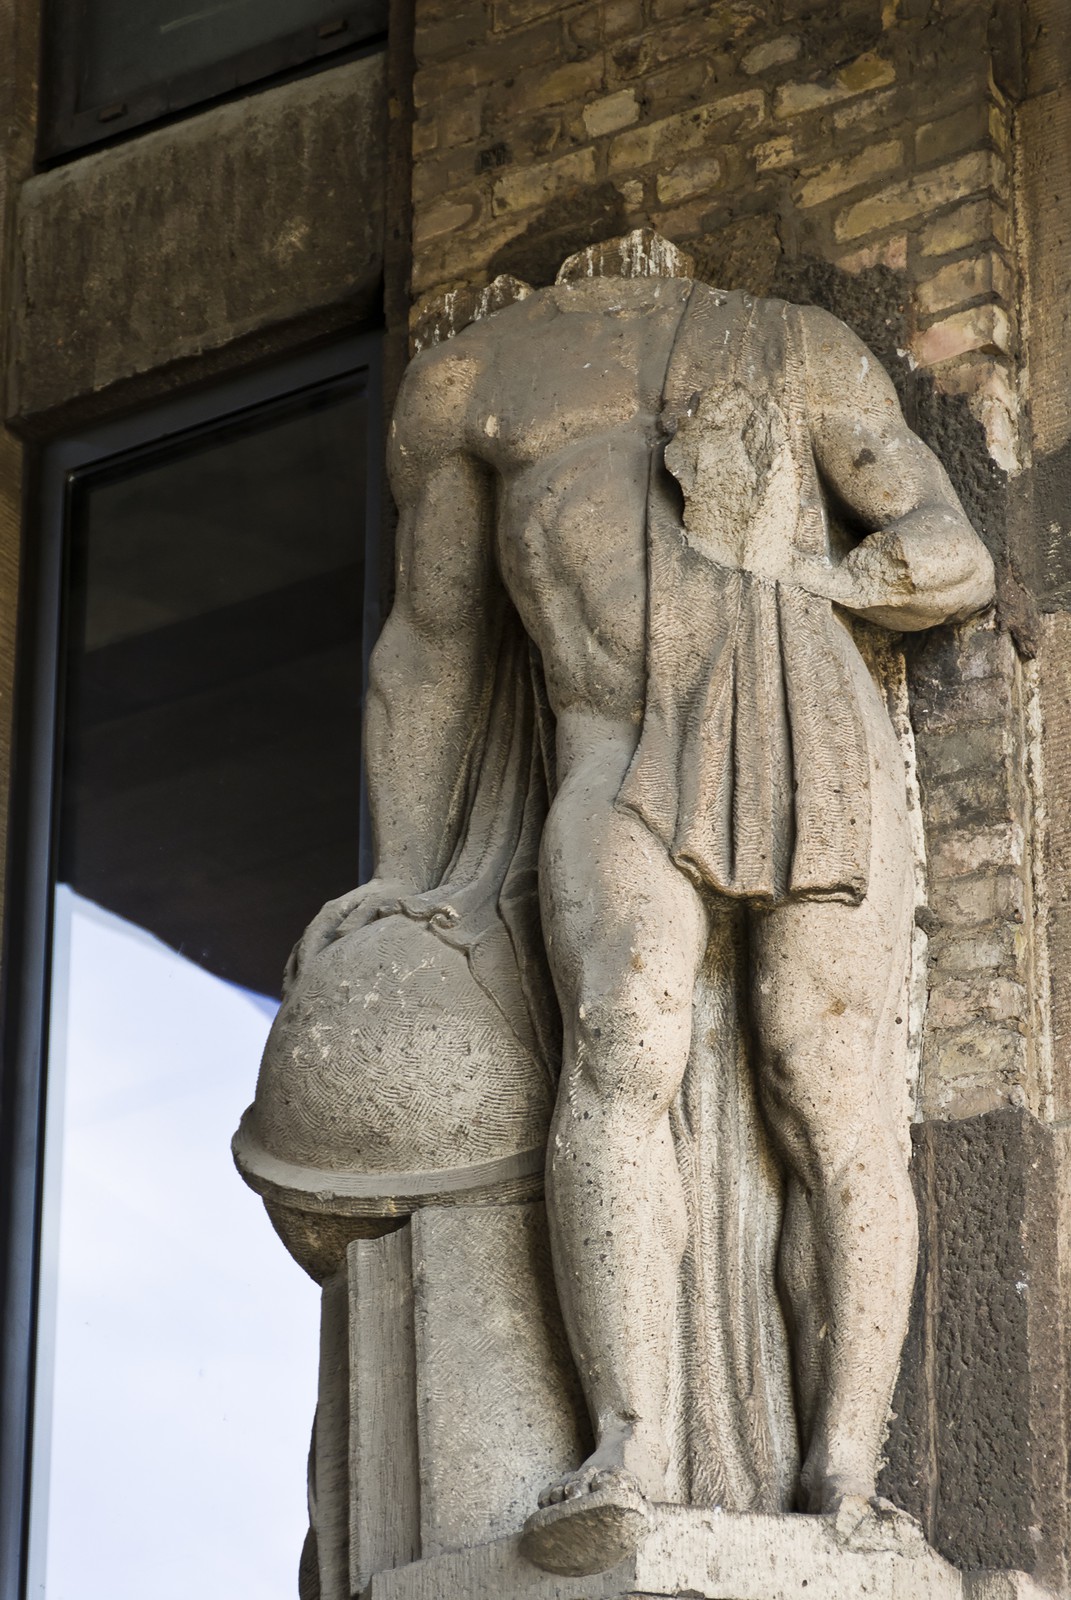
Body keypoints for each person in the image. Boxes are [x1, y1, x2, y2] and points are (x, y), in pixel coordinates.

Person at [290, 249, 995, 1567]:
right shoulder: (470, 386)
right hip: (608, 744)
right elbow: (429, 643)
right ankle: (633, 1444)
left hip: (803, 723)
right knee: (618, 1043)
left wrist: (814, 588)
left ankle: (842, 1476)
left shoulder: (789, 347)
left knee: (818, 1068)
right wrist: (408, 868)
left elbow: (952, 554)